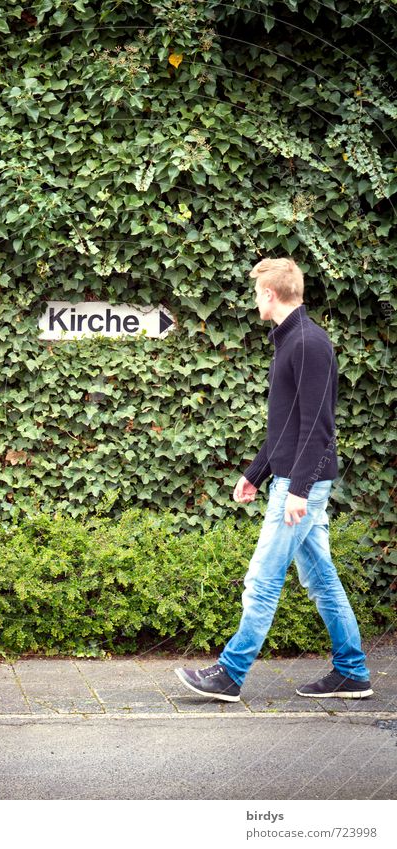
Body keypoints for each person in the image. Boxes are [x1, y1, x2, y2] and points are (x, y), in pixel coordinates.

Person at [175, 257, 373, 702]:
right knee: (322, 579)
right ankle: (352, 671)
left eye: (256, 292)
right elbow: (286, 424)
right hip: (289, 479)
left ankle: (229, 673)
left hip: (300, 484)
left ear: (269, 294)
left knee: (262, 578)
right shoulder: (291, 342)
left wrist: (299, 489)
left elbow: (318, 428)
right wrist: (255, 473)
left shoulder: (308, 343)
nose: (253, 300)